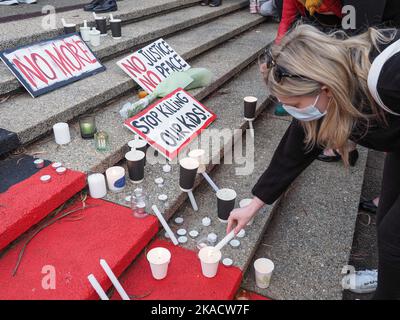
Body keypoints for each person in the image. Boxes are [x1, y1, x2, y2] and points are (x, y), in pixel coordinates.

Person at [227, 24, 400, 299]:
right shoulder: (325, 92)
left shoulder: (389, 78)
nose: (295, 113)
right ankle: (391, 277)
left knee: (394, 238)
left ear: (326, 89)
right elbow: (299, 144)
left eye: (295, 104)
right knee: (387, 216)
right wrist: (255, 203)